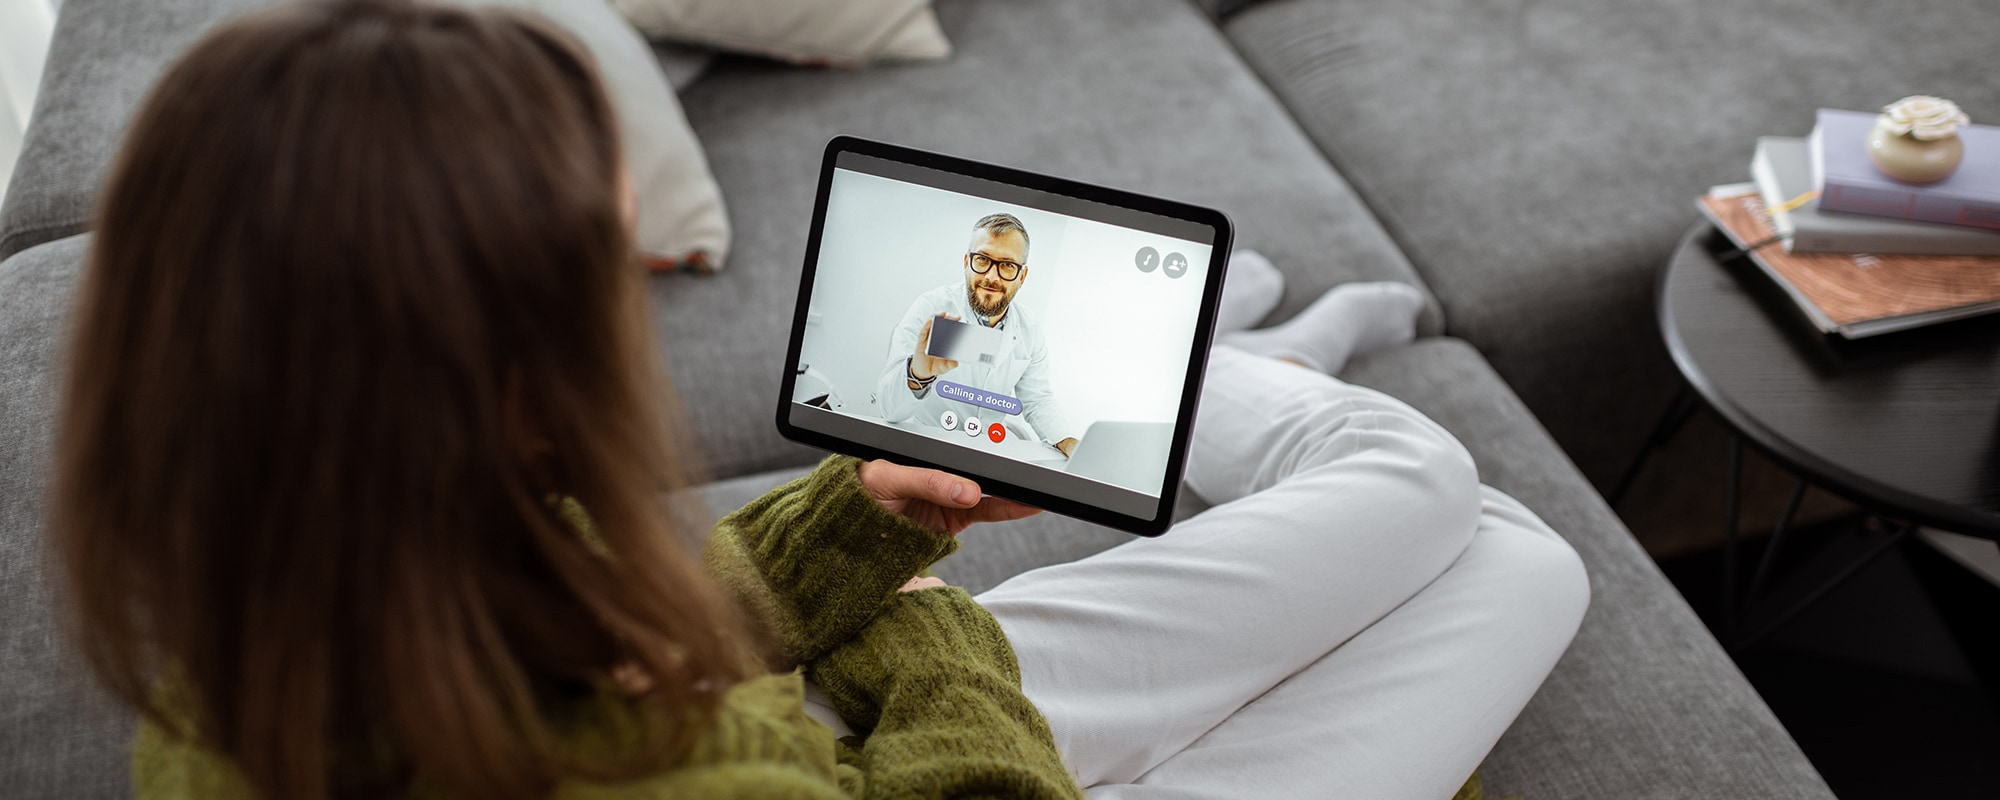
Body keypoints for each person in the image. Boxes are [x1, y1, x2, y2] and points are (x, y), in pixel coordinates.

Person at [51, 2, 1589, 799]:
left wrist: (848, 519)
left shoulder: (260, 616)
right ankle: (1205, 368)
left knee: (1471, 527)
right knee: (1495, 534)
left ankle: (1197, 365)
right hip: (936, 754)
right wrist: (918, 623)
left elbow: (606, 630)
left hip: (836, 729)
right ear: (519, 383)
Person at [875, 213, 1080, 456]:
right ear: (966, 262)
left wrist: (1070, 443)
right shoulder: (931, 307)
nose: (992, 277)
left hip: (986, 455)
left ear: (1022, 276)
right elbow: (889, 408)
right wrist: (917, 374)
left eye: (1007, 265)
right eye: (983, 259)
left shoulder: (1030, 330)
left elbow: (1037, 401)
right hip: (927, 449)